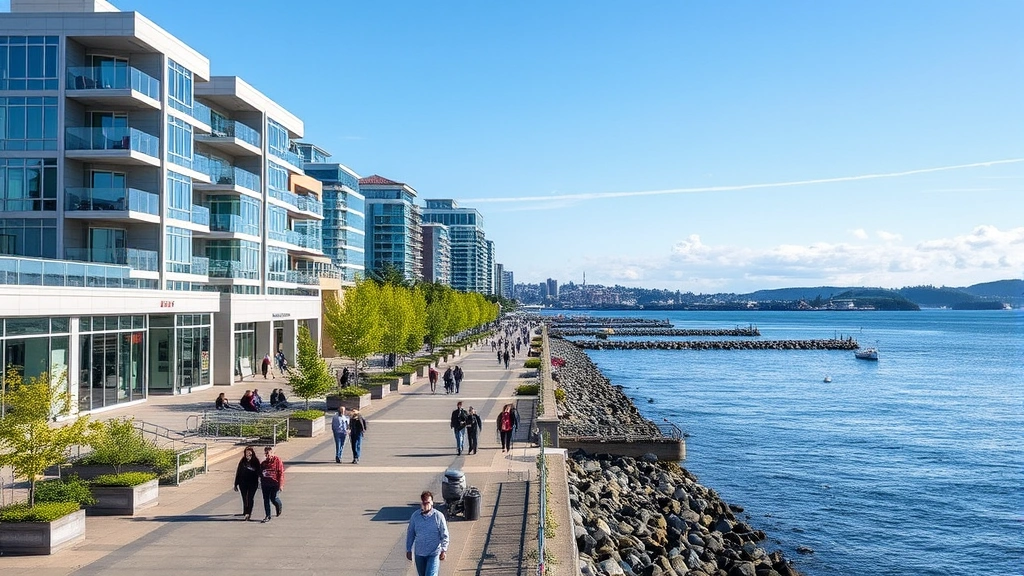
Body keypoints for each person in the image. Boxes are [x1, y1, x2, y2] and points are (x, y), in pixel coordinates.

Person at [406, 490, 449, 576]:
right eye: (424, 503)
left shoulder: (438, 516)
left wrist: (443, 549)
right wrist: (408, 549)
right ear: (421, 503)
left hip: (434, 553)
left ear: (432, 503)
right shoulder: (415, 516)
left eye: (428, 503)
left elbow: (444, 534)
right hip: (419, 553)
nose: (426, 505)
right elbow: (410, 533)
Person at [233, 446, 261, 521]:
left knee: (250, 498)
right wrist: (236, 483)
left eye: (250, 454)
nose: (248, 456)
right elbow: (238, 472)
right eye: (246, 454)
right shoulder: (242, 461)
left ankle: (249, 513)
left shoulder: (256, 461)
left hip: (253, 483)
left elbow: (259, 472)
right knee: (244, 498)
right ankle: (245, 511)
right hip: (243, 483)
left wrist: (261, 481)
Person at [259, 445, 284, 523]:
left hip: (275, 483)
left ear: (272, 453)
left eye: (269, 453)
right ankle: (267, 515)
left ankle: (278, 505)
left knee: (273, 498)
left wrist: (281, 484)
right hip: (265, 484)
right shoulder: (263, 463)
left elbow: (280, 473)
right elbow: (260, 473)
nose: (267, 455)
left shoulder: (277, 461)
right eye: (266, 453)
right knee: (266, 500)